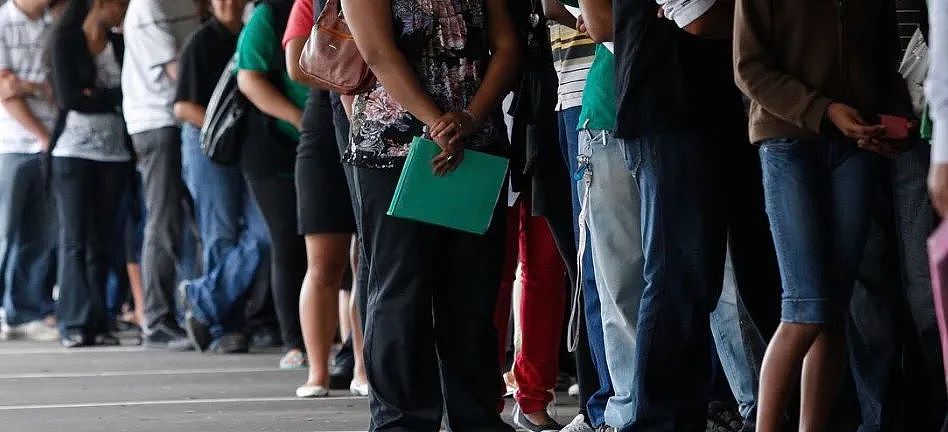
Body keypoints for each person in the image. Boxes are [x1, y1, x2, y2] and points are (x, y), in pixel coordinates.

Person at [734, 0, 913, 430]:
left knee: (831, 308)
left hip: (858, 147)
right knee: (805, 305)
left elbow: (886, 60)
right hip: (787, 142)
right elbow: (749, 67)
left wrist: (886, 124)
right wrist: (826, 110)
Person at [343, 0, 520, 427]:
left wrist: (470, 118)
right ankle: (401, 421)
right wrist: (438, 123)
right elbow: (378, 53)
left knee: (472, 295)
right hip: (394, 149)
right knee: (400, 292)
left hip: (475, 148)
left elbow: (509, 45)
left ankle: (476, 416)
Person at [849, 2, 948, 430]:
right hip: (848, 121)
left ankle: (936, 407)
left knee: (925, 288)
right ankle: (881, 418)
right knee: (866, 290)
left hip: (922, 115)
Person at [282, 0, 368, 397]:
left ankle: (364, 370)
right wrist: (353, 71)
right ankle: (317, 372)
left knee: (366, 257)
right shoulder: (310, 3)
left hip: (377, 116)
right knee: (322, 260)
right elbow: (297, 64)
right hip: (323, 124)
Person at [174, 0, 268, 354]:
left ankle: (202, 298)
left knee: (264, 233)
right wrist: (227, 130)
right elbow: (183, 107)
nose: (227, 2)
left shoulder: (251, 35)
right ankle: (223, 327)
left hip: (246, 148)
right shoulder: (201, 41)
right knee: (220, 234)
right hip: (206, 147)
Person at [47, 0, 131, 348]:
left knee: (103, 241)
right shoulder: (64, 40)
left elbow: (129, 92)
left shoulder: (119, 44)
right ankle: (73, 322)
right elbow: (70, 99)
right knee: (74, 240)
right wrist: (109, 97)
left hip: (115, 154)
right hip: (72, 152)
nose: (123, 9)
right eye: (120, 3)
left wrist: (99, 94)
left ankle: (99, 319)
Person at [122, 0, 200, 350]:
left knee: (189, 223)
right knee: (164, 218)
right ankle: (156, 320)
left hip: (178, 119)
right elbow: (177, 70)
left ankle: (191, 310)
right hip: (157, 122)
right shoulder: (148, 6)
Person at [235, 0, 308, 370]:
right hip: (272, 150)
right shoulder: (272, 13)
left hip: (322, 145)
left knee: (330, 245)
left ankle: (331, 336)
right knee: (287, 240)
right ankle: (293, 341)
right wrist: (297, 118)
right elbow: (248, 77)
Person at [0, 0, 58, 343]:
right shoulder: (3, 21)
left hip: (48, 143)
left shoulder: (53, 24)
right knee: (7, 230)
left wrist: (31, 86)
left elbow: (58, 86)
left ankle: (26, 310)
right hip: (13, 143)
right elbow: (6, 91)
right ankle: (9, 309)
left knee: (39, 232)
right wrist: (42, 135)